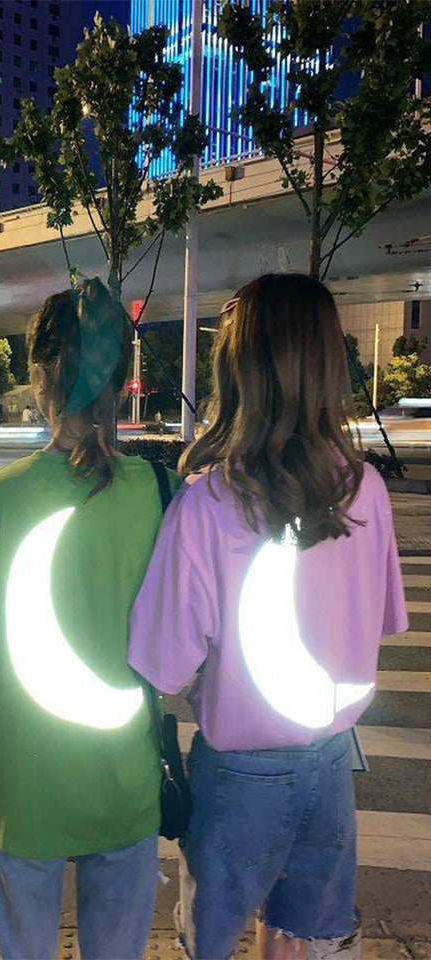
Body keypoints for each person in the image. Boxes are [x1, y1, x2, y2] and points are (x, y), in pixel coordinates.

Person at [129, 274, 408, 960]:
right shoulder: (367, 489)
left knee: (211, 937)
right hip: (332, 763)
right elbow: (378, 619)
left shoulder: (207, 504)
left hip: (239, 774)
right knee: (300, 932)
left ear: (237, 371)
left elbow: (163, 662)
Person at [0, 278, 179, 960]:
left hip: (24, 781)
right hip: (124, 780)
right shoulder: (156, 492)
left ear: (39, 379)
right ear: (118, 383)